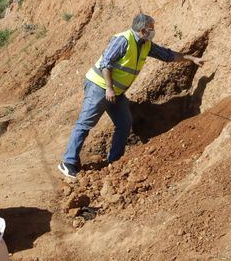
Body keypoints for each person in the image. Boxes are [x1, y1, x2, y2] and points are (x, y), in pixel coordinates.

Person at [58, 13, 205, 180]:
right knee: (85, 123)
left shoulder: (145, 44)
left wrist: (190, 58)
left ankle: (115, 160)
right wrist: (109, 88)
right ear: (142, 30)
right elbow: (106, 63)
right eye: (151, 29)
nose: (153, 32)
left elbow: (167, 55)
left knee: (124, 123)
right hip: (100, 86)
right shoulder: (123, 40)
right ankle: (68, 162)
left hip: (116, 91)